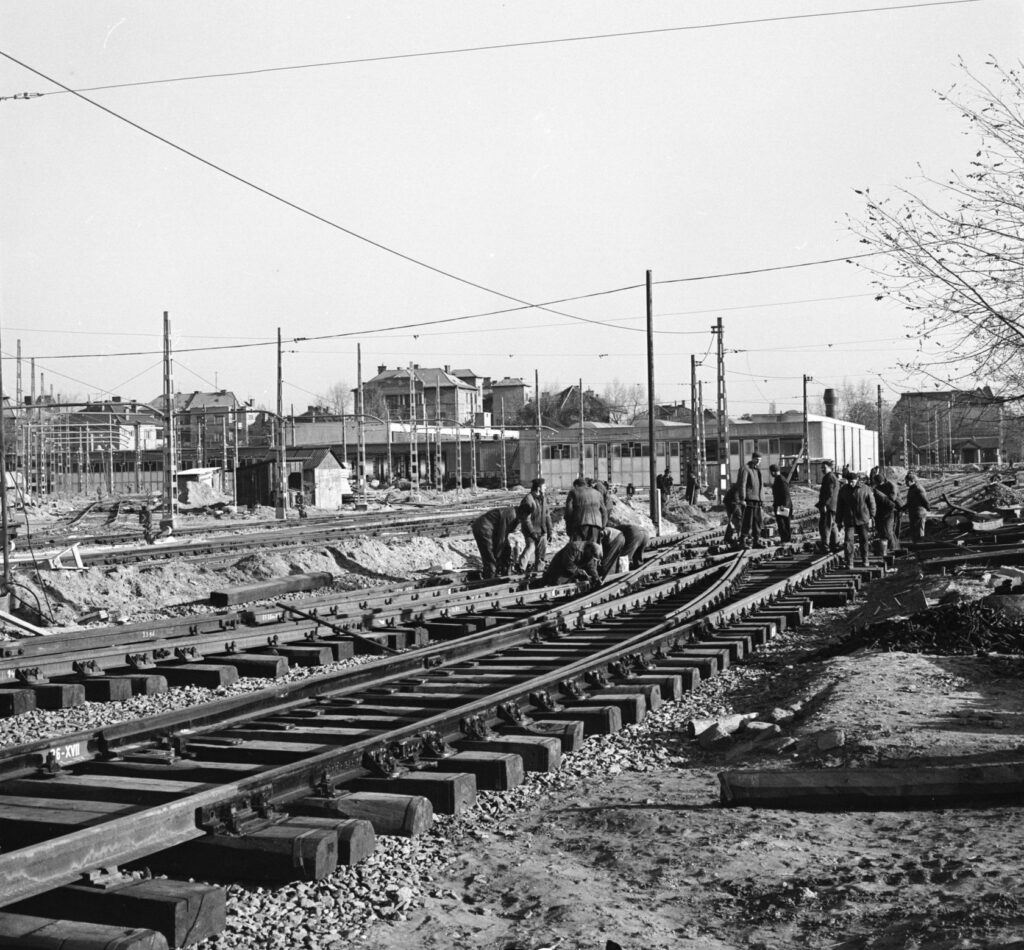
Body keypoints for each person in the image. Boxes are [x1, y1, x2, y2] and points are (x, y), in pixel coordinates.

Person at [836, 470, 876, 568]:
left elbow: (872, 503)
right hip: (849, 519)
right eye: (849, 481)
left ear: (857, 480)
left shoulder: (865, 489)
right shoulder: (843, 490)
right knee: (848, 541)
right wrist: (838, 520)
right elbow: (839, 506)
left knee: (864, 540)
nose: (850, 483)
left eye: (852, 481)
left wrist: (872, 516)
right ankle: (849, 562)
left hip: (863, 519)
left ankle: (865, 559)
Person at [471, 506, 518, 579]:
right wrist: (498, 556)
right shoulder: (511, 515)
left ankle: (501, 571)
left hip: (491, 528)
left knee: (506, 550)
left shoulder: (515, 514)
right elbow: (501, 538)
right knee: (490, 557)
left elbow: (503, 537)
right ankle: (491, 579)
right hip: (483, 528)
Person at [517, 478, 553, 574]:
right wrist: (532, 532)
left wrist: (550, 531)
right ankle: (520, 568)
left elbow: (547, 515)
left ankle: (538, 572)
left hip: (542, 530)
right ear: (538, 488)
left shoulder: (543, 498)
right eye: (544, 486)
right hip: (530, 530)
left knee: (541, 552)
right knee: (530, 547)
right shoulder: (528, 500)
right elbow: (526, 519)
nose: (545, 488)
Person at [564, 477, 606, 544]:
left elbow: (568, 511)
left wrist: (569, 528)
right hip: (596, 526)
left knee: (577, 549)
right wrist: (602, 526)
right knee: (592, 550)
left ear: (576, 485)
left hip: (579, 525)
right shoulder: (597, 493)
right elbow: (604, 511)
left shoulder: (573, 492)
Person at [736, 451, 765, 547]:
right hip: (748, 500)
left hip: (757, 500)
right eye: (757, 459)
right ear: (753, 458)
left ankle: (756, 540)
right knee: (747, 521)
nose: (758, 462)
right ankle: (742, 540)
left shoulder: (757, 470)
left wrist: (762, 499)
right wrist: (742, 499)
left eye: (760, 460)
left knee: (757, 521)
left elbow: (760, 486)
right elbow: (742, 484)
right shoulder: (745, 469)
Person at [816, 460, 840, 553]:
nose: (822, 469)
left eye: (824, 467)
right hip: (833, 506)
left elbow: (829, 493)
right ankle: (835, 544)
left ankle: (825, 546)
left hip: (828, 506)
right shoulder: (833, 476)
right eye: (821, 467)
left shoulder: (829, 477)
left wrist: (825, 505)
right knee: (833, 525)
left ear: (830, 468)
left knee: (826, 525)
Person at [872, 477, 900, 556]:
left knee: (888, 532)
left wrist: (885, 516)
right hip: (882, 513)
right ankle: (888, 548)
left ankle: (893, 549)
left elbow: (891, 504)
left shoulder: (880, 493)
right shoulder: (877, 490)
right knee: (884, 532)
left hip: (889, 512)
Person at [904, 472, 931, 543]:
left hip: (919, 514)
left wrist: (928, 508)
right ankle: (915, 546)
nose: (905, 483)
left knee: (919, 532)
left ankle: (920, 546)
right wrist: (903, 508)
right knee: (914, 532)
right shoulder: (911, 488)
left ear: (912, 481)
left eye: (907, 481)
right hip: (913, 513)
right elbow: (910, 501)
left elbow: (925, 500)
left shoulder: (918, 488)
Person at [769, 464, 792, 543]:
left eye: (771, 472)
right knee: (782, 523)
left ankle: (786, 540)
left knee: (783, 523)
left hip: (783, 506)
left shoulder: (781, 480)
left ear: (774, 472)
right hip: (781, 505)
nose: (771, 474)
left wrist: (783, 505)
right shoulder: (778, 479)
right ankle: (785, 539)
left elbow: (786, 494)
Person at [722, 483, 743, 547]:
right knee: (737, 520)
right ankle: (735, 537)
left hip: (731, 503)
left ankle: (728, 537)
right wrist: (734, 509)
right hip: (732, 504)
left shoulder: (736, 488)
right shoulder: (737, 490)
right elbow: (735, 501)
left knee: (733, 521)